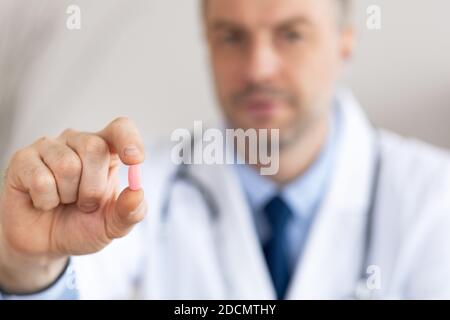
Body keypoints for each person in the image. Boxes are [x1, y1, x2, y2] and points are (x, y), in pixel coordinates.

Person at [1, 0, 450, 300]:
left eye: (290, 35)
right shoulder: (133, 193)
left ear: (345, 43)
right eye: (232, 36)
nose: (257, 68)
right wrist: (29, 266)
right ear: (208, 42)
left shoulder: (433, 196)